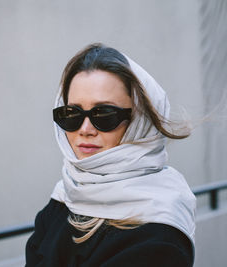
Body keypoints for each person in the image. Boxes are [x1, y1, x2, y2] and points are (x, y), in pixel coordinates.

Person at [25, 43, 196, 267]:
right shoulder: (65, 195)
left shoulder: (159, 230)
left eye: (104, 113)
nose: (85, 129)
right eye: (71, 113)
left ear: (138, 121)